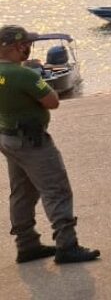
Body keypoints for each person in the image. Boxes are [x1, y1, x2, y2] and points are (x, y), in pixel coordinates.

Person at [0, 25, 100, 264]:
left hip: (8, 137)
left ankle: (26, 244)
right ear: (18, 47)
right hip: (32, 141)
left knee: (22, 191)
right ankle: (67, 245)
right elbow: (53, 101)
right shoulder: (23, 74)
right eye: (27, 44)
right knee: (56, 189)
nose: (29, 48)